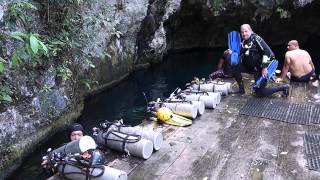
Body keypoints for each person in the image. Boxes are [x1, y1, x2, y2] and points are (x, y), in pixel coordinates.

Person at [234, 24, 289, 97]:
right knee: (234, 66)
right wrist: (233, 51)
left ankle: (283, 87)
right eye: (242, 32)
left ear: (250, 30)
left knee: (259, 92)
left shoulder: (256, 39)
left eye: (246, 31)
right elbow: (242, 51)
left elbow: (268, 53)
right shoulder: (244, 40)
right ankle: (241, 90)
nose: (244, 34)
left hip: (260, 68)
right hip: (250, 66)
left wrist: (264, 67)